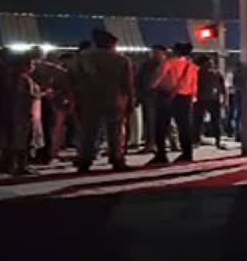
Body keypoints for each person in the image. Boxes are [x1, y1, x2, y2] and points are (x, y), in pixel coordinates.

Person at [68, 29, 134, 172]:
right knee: (115, 132)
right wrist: (130, 102)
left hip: (89, 100)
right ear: (112, 43)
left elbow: (72, 78)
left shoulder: (82, 57)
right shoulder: (122, 60)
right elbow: (127, 84)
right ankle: (117, 159)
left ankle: (85, 160)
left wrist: (74, 98)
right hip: (114, 100)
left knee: (88, 132)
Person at [150, 42, 197, 165]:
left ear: (175, 51)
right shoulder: (191, 65)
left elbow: (158, 77)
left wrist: (152, 87)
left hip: (168, 96)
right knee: (184, 126)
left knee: (161, 126)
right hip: (186, 97)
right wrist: (192, 97)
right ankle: (187, 153)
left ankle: (161, 154)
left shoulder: (169, 62)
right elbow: (194, 84)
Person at [1, 55, 43, 175]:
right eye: (31, 64)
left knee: (16, 139)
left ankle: (13, 165)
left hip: (17, 112)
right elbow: (26, 96)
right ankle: (20, 166)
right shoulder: (23, 79)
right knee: (22, 140)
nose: (33, 66)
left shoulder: (14, 78)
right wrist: (41, 94)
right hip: (22, 113)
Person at [136, 45, 167, 153]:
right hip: (149, 97)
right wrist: (139, 95)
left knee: (167, 121)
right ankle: (150, 144)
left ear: (163, 53)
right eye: (153, 52)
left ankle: (173, 142)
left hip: (165, 96)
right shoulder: (146, 65)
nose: (154, 54)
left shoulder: (167, 64)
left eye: (157, 52)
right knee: (150, 121)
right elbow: (139, 80)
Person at [193, 56, 226, 149]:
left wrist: (224, 100)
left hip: (213, 99)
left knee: (215, 121)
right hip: (201, 99)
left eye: (211, 63)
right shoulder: (197, 73)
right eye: (208, 63)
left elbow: (223, 87)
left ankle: (218, 140)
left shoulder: (217, 73)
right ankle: (196, 140)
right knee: (197, 121)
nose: (210, 65)